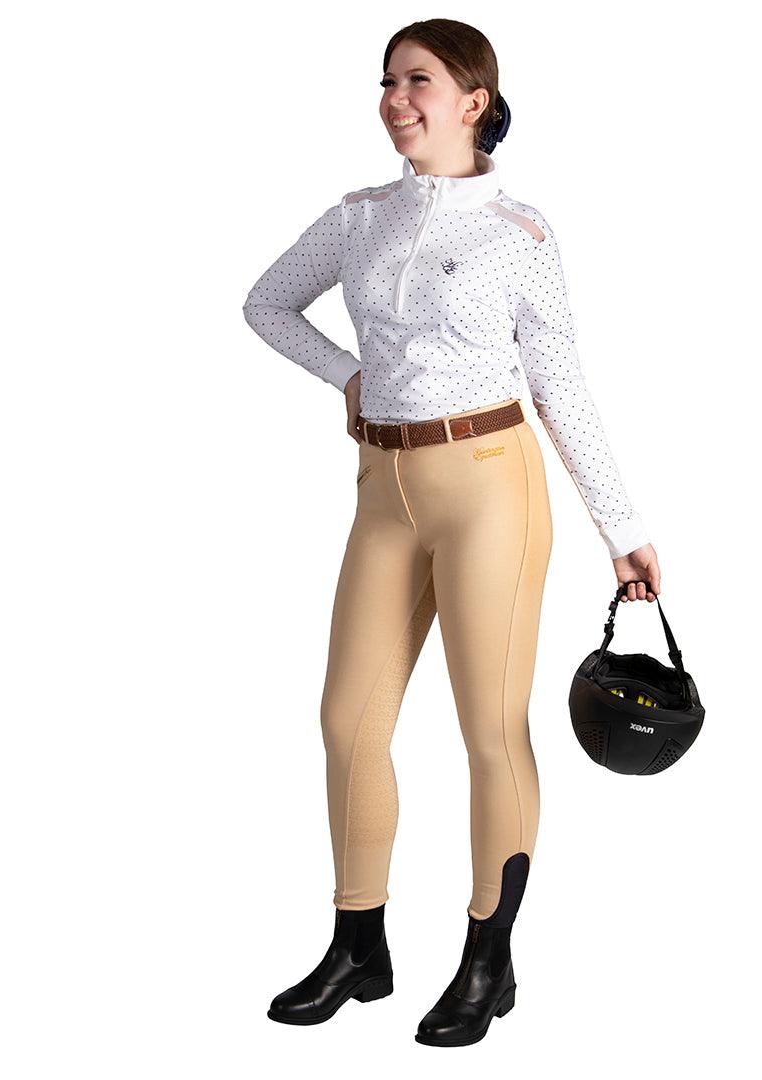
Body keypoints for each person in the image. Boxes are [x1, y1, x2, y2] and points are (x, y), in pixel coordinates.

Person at [242, 19, 661, 1047]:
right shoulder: (357, 218)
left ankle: (488, 959)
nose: (396, 99)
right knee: (348, 724)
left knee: (489, 732)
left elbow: (561, 385)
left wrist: (622, 526)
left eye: (418, 81)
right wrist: (348, 377)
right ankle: (359, 945)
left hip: (489, 491)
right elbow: (265, 304)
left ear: (473, 101)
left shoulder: (519, 233)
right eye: (387, 81)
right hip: (384, 492)